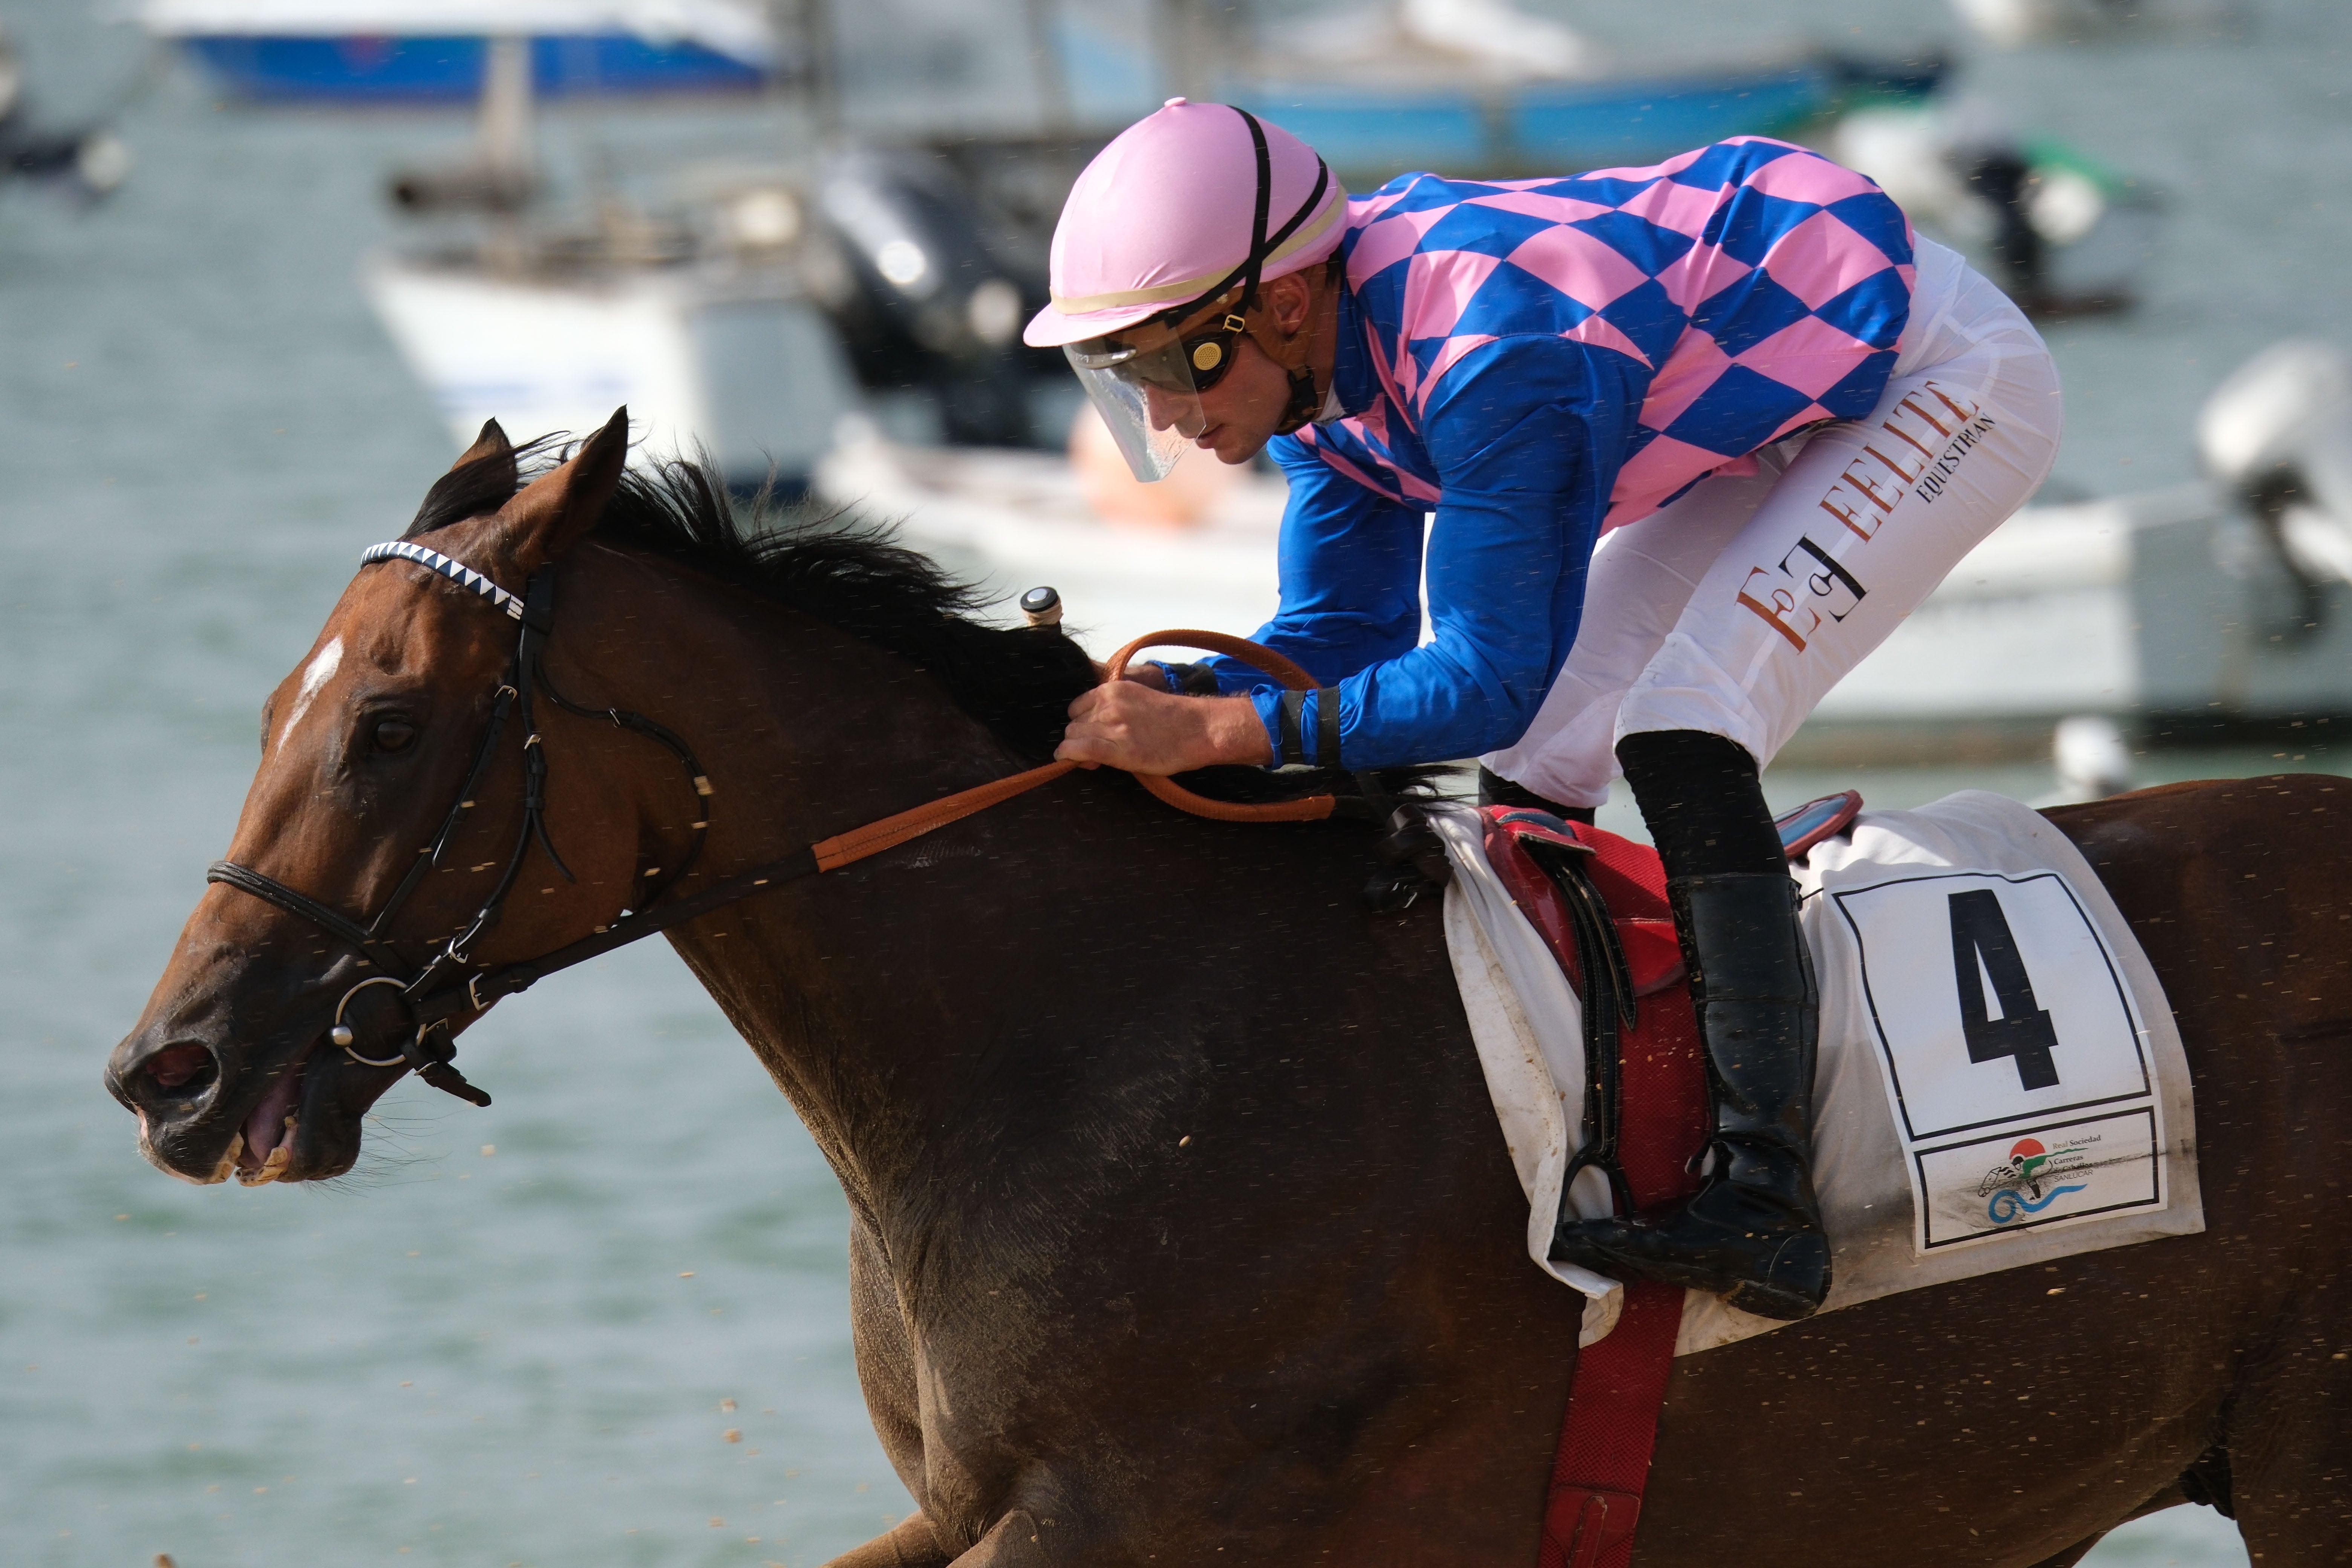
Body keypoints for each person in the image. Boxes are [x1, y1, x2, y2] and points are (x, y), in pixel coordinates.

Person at [1024, 100, 2061, 1322]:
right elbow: (1340, 644)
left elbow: (1479, 676)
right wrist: (1144, 698)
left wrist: (1212, 733)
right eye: (1122, 374)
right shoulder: (1319, 385)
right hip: (1769, 397)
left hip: (1933, 378)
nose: (1160, 417)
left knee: (1683, 723)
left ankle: (1770, 1199)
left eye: (1167, 363)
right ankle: (1596, 1115)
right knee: (1542, 755)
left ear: (1286, 303)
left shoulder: (1493, 352)